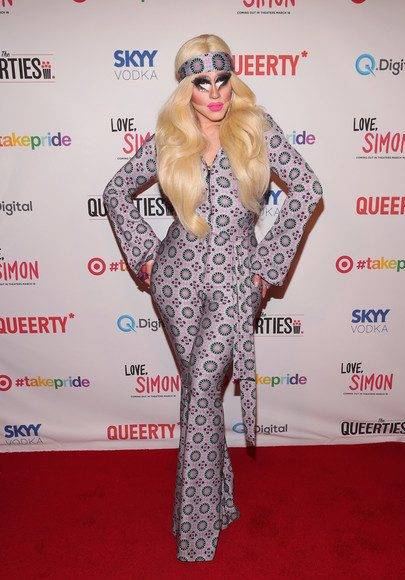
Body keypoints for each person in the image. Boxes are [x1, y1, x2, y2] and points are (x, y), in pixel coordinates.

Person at [102, 33, 323, 562]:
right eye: (203, 83)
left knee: (200, 391)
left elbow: (309, 189)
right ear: (187, 89)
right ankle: (217, 503)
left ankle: (196, 533)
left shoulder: (256, 128)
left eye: (223, 79)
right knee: (198, 396)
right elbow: (114, 192)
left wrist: (267, 266)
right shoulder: (170, 138)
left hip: (235, 282)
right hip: (175, 280)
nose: (216, 92)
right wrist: (146, 257)